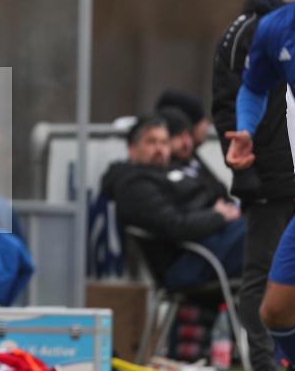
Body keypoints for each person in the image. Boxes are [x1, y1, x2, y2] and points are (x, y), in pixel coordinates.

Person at [212, 0, 295, 371]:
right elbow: (229, 101)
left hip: (292, 176)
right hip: (265, 179)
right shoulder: (249, 31)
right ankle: (263, 370)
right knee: (262, 282)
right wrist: (243, 169)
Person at [100, 115, 244, 291]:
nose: (160, 149)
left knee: (266, 223)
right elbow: (175, 225)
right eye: (151, 142)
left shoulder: (170, 172)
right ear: (132, 149)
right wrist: (218, 216)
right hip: (190, 261)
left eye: (164, 142)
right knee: (262, 233)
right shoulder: (134, 185)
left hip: (211, 245)